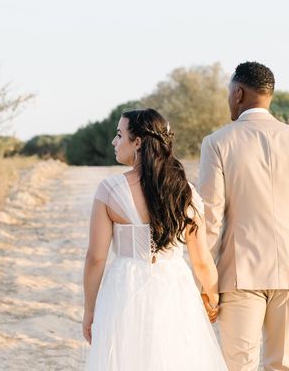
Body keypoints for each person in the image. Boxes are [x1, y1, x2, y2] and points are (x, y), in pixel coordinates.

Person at [198, 61, 289, 371]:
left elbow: (210, 217)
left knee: (238, 365)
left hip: (240, 273)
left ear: (238, 93)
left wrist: (205, 282)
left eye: (229, 93)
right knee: (281, 364)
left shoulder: (217, 143)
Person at [83, 108, 227, 370]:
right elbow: (202, 260)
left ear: (137, 142)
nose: (114, 142)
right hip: (174, 286)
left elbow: (96, 258)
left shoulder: (110, 190)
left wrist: (89, 310)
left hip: (124, 287)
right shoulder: (186, 192)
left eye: (119, 135)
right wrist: (212, 296)